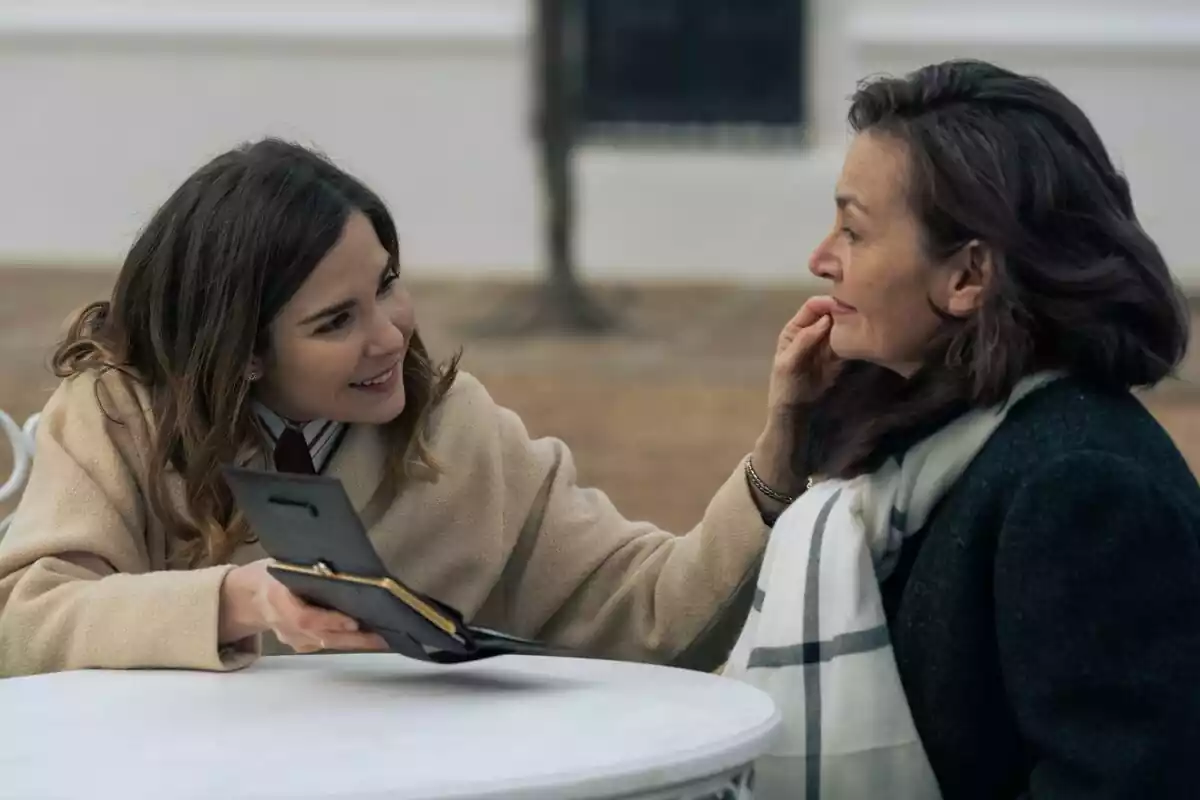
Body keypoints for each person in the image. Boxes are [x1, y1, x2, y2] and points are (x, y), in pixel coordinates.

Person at [0, 138, 827, 677]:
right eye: (336, 321)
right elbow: (25, 623)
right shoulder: (118, 415)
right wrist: (238, 599)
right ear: (242, 351)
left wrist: (777, 462)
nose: (392, 334)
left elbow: (653, 610)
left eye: (388, 283)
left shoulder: (456, 431)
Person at [720, 59, 1200, 800]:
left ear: (969, 276)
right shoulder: (926, 454)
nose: (821, 260)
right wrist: (792, 434)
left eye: (853, 229)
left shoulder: (1082, 490)